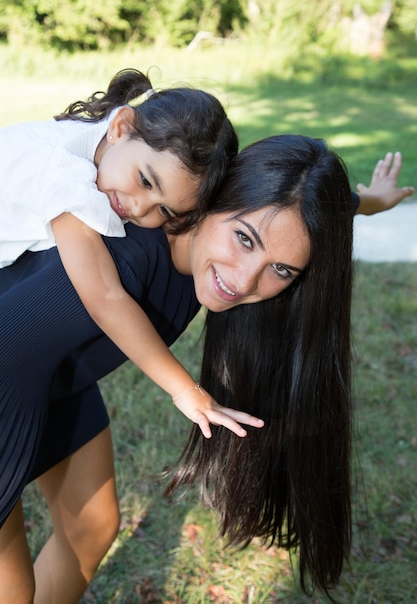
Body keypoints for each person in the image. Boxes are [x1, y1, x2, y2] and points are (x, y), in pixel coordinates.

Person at [0, 137, 412, 604]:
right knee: (11, 589)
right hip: (7, 370)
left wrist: (369, 201)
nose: (243, 280)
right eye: (243, 238)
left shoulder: (258, 220)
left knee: (92, 527)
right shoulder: (125, 263)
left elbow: (295, 221)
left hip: (49, 375)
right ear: (215, 196)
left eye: (281, 269)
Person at [0, 67, 265, 496]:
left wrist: (360, 203)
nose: (140, 210)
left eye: (164, 211)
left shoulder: (103, 147)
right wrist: (186, 391)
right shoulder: (66, 178)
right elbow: (104, 296)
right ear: (124, 125)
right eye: (146, 181)